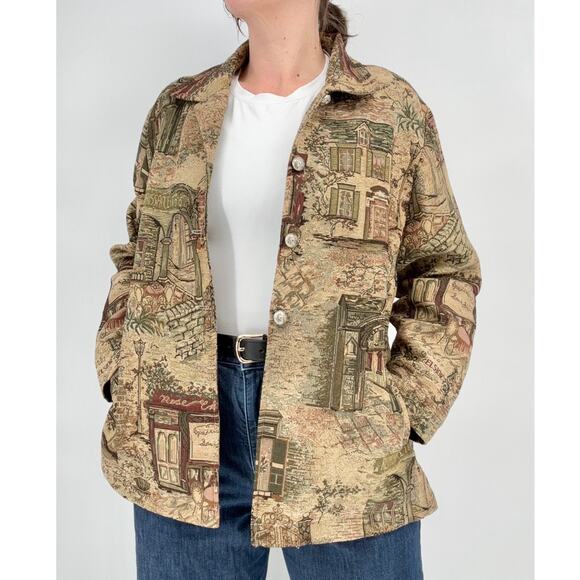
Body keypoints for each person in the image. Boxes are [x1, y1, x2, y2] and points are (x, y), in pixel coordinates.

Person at [94, 1, 482, 578]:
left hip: (345, 444)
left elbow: (443, 270)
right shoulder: (180, 109)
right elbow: (138, 254)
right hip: (179, 438)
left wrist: (402, 409)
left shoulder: (390, 110)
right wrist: (118, 370)